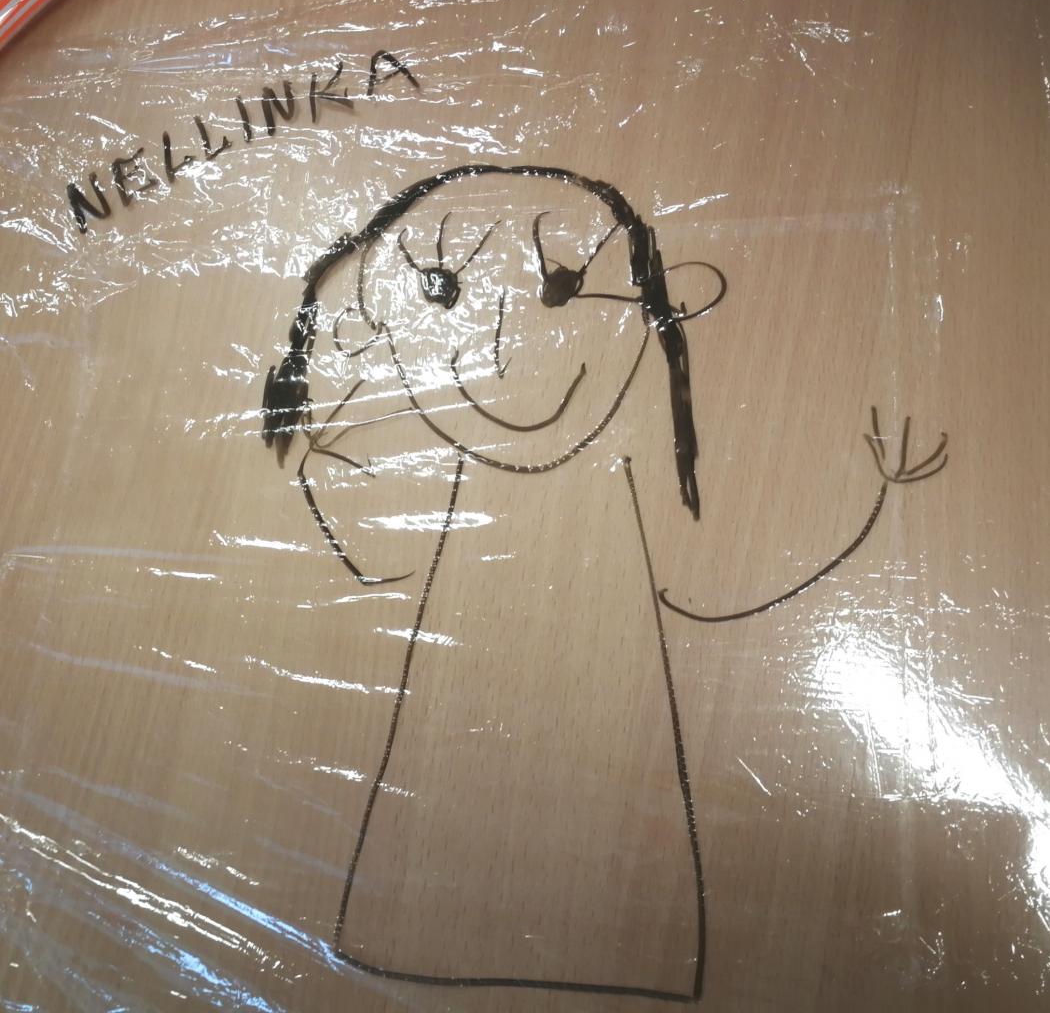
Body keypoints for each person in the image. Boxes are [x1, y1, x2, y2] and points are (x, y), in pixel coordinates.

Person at [261, 164, 946, 1002]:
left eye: (564, 286)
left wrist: (868, 504)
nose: (503, 342)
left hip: (623, 878)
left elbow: (710, 586)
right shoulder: (432, 490)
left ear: (653, 313)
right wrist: (329, 467)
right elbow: (378, 562)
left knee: (609, 893)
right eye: (442, 288)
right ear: (380, 326)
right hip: (434, 852)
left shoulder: (634, 484)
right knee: (443, 871)